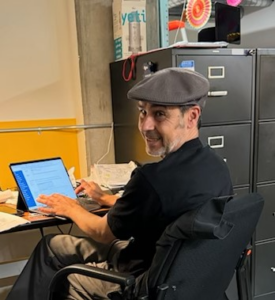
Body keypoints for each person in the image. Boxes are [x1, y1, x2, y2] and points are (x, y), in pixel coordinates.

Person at [6, 68, 233, 300]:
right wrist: (106, 199)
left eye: (160, 114)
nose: (145, 125)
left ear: (192, 116)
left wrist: (70, 208)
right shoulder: (216, 166)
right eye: (143, 112)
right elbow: (162, 207)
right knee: (52, 245)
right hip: (180, 279)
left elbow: (103, 232)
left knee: (66, 279)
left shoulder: (153, 178)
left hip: (141, 280)